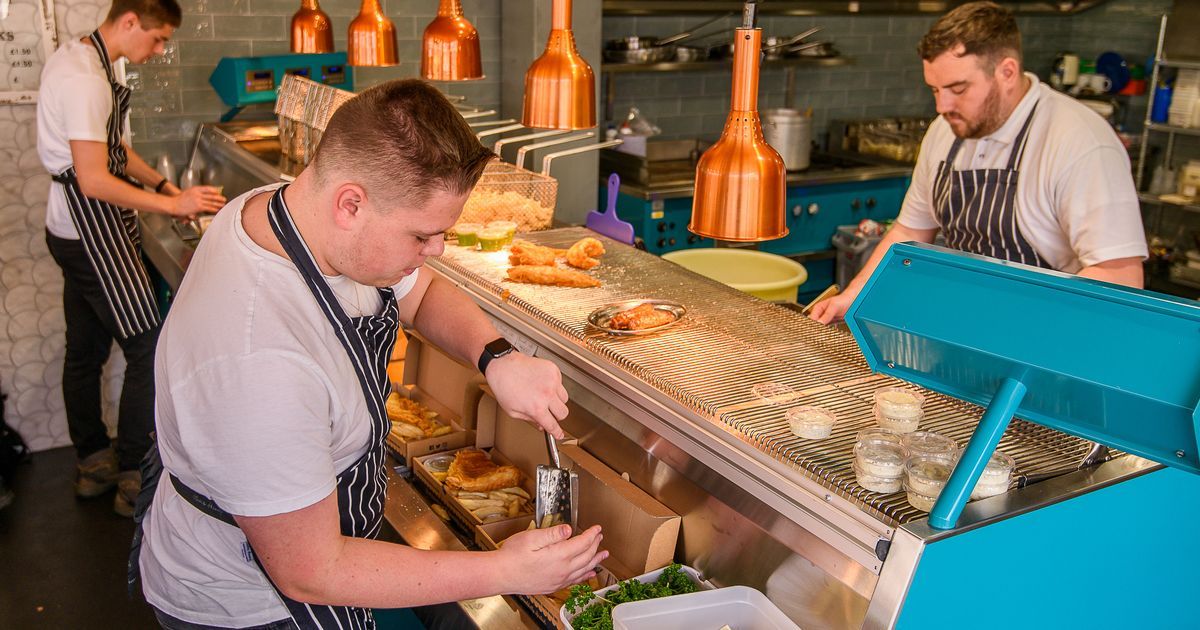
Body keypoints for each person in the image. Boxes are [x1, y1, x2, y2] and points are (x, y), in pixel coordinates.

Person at [134, 79, 606, 629]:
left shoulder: (297, 213)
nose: (436, 252)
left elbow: (423, 293)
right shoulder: (260, 363)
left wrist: (498, 357)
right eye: (421, 237)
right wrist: (504, 571)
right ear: (351, 204)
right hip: (249, 605)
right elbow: (311, 572)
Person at [812, 1, 1147, 325]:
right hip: (966, 324)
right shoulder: (945, 130)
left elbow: (1119, 275)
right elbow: (910, 230)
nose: (942, 106)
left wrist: (1025, 330)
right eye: (935, 90)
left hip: (1047, 336)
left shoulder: (1080, 142)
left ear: (1007, 72)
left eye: (958, 89)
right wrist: (856, 294)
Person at [36, 0, 226, 516]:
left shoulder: (86, 60)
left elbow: (114, 147)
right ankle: (133, 476)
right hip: (88, 229)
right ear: (128, 22)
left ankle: (92, 459)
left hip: (71, 228)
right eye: (159, 38)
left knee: (86, 346)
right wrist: (174, 204)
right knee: (147, 344)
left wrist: (163, 183)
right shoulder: (84, 79)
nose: (160, 50)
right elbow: (95, 178)